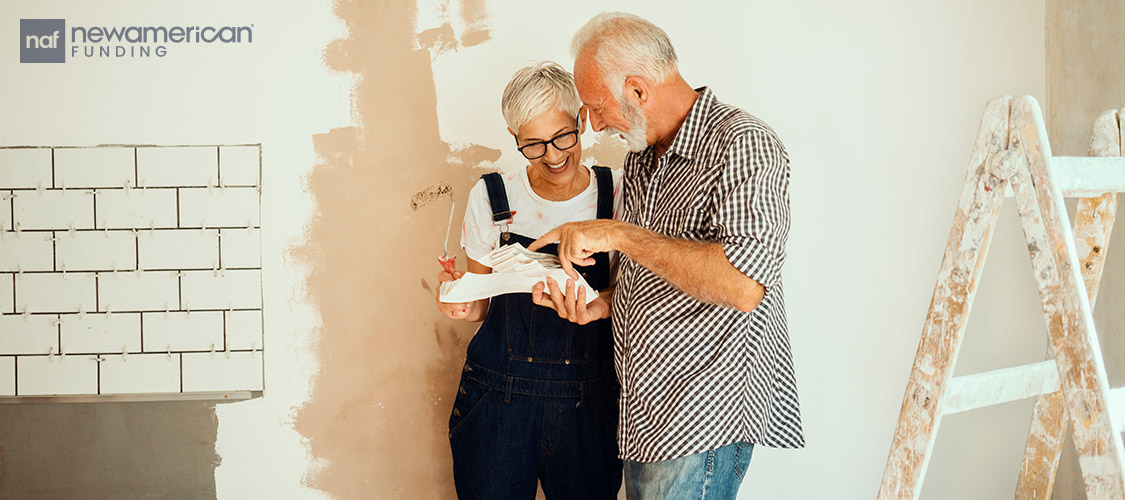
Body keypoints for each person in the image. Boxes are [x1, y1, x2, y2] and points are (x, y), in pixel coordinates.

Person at [528, 13, 805, 500]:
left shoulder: (744, 145)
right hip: (644, 415)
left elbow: (742, 286)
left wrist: (619, 235)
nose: (592, 124)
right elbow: (665, 271)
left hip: (700, 420)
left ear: (637, 90)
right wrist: (608, 303)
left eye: (595, 106)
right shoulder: (643, 155)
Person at [434, 61, 624, 500]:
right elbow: (482, 306)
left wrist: (597, 302)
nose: (554, 156)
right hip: (497, 400)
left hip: (588, 401)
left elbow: (638, 293)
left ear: (581, 120)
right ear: (513, 137)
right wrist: (463, 300)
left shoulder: (616, 193)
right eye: (534, 145)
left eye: (562, 137)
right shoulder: (492, 196)